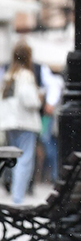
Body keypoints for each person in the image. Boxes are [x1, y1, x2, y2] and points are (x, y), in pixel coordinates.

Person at [0, 41, 43, 205]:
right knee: (25, 160)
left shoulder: (8, 75)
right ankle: (17, 198)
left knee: (14, 160)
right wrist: (39, 98)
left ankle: (14, 192)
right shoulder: (26, 75)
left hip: (10, 122)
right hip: (25, 122)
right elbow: (29, 100)